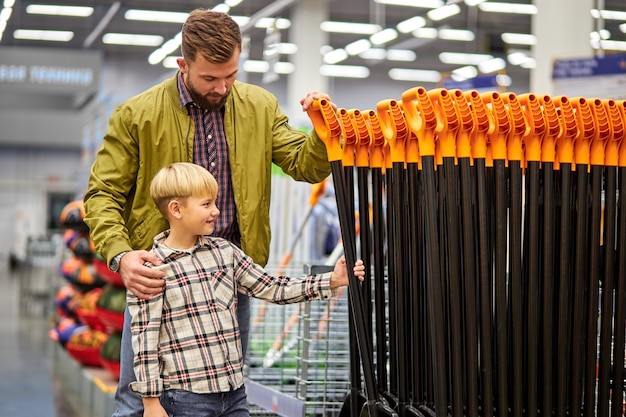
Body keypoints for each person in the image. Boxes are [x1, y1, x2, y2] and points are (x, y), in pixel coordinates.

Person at [83, 9, 336, 417]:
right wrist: (122, 255)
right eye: (210, 78)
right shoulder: (137, 115)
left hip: (229, 278)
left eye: (231, 75)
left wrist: (324, 132)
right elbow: (102, 193)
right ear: (183, 65)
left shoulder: (259, 106)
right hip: (160, 282)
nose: (222, 87)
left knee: (226, 396)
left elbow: (305, 164)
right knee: (137, 401)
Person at [129, 162, 363, 417]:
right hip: (185, 399)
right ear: (176, 209)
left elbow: (272, 288)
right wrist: (151, 402)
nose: (217, 211)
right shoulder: (150, 270)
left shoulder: (225, 252)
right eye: (206, 204)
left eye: (215, 203)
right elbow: (145, 341)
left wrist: (331, 280)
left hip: (234, 394)